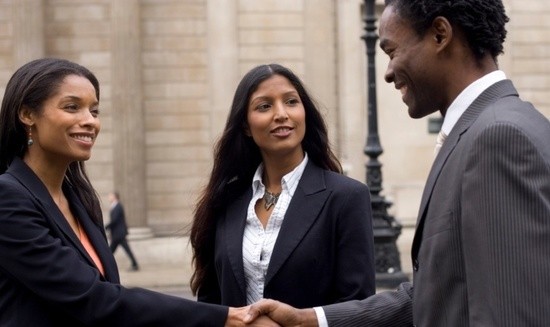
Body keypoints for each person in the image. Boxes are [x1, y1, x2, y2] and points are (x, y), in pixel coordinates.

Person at [245, 0, 550, 326]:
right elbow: (435, 295)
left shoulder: (498, 139)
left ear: (440, 35)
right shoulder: (484, 130)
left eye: (392, 52)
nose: (388, 73)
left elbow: (512, 315)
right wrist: (310, 320)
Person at [0, 57, 278, 326]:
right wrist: (225, 318)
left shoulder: (81, 201)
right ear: (27, 114)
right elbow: (96, 300)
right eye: (72, 107)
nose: (90, 121)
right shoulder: (8, 198)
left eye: (94, 111)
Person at [189, 63, 375, 309]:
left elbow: (358, 307)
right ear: (245, 125)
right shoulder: (227, 200)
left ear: (304, 112)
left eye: (291, 102)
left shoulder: (347, 197)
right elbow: (211, 304)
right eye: (264, 106)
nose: (281, 114)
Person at [106, 191, 139, 271]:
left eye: (110, 196)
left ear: (115, 197)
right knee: (112, 251)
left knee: (110, 251)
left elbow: (115, 220)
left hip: (119, 233)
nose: (109, 197)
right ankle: (135, 264)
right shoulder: (114, 206)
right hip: (117, 233)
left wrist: (107, 226)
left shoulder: (118, 206)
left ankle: (105, 264)